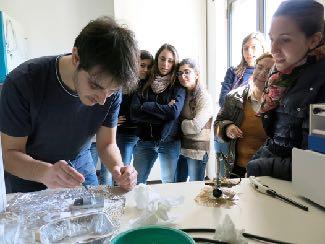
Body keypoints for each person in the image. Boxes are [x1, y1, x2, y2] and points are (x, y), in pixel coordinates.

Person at [0, 17, 139, 193]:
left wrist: (119, 169)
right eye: (95, 86)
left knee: (93, 219)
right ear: (75, 57)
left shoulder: (109, 88)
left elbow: (106, 144)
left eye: (111, 91)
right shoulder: (23, 82)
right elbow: (10, 154)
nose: (103, 99)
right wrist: (45, 172)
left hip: (81, 169)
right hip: (30, 175)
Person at [247, 0, 325, 180]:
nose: (273, 49)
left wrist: (261, 165)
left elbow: (316, 165)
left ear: (313, 40)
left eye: (285, 40)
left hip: (297, 197)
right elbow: (280, 140)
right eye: (272, 38)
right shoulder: (284, 75)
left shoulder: (320, 82)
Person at [90, 50, 153, 185]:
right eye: (142, 65)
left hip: (137, 134)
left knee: (125, 170)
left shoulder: (147, 85)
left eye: (148, 67)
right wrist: (114, 120)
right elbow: (112, 106)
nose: (145, 70)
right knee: (110, 171)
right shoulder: (122, 83)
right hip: (119, 133)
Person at [131, 43, 186, 184]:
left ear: (174, 63)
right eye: (162, 59)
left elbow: (173, 113)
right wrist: (163, 113)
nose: (165, 64)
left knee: (168, 185)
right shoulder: (143, 83)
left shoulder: (178, 86)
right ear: (157, 59)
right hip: (144, 141)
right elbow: (135, 113)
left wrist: (147, 106)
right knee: (137, 183)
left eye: (170, 61)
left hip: (169, 142)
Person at [214, 53, 274, 178]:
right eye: (260, 67)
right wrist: (227, 128)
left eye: (269, 70)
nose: (262, 73)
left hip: (265, 172)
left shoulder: (280, 103)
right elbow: (217, 127)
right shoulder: (234, 97)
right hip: (234, 169)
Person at [175, 59, 213, 182]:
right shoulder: (182, 94)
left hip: (197, 151)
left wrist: (179, 124)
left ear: (196, 74)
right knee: (177, 186)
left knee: (195, 189)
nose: (182, 76)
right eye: (180, 73)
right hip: (180, 147)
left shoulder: (204, 97)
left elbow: (195, 127)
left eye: (187, 72)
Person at [218, 32, 267, 107]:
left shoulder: (269, 72)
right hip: (231, 116)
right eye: (245, 48)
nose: (249, 52)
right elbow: (222, 101)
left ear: (262, 49)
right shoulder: (232, 71)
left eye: (254, 47)